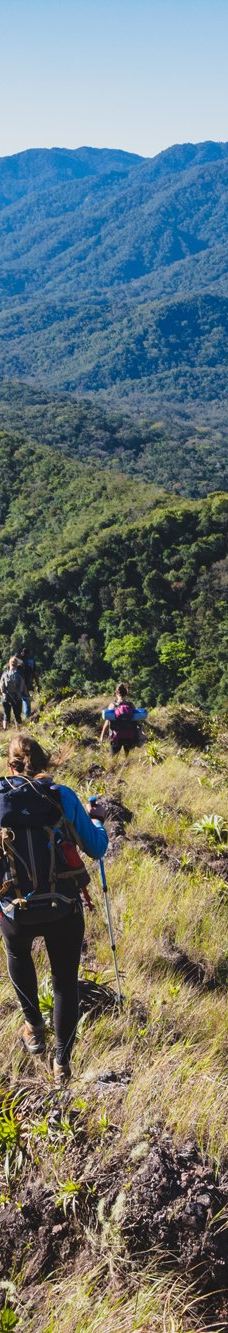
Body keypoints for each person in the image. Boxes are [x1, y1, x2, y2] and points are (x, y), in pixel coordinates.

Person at [0, 734, 108, 1087]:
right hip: (63, 905)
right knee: (64, 983)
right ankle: (62, 1064)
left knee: (18, 953)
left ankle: (33, 1027)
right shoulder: (61, 796)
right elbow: (95, 848)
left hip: (15, 908)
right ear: (45, 763)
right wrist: (98, 820)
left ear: (9, 764)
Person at [100, 682, 138, 756]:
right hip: (129, 736)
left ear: (116, 693)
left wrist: (102, 736)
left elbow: (107, 722)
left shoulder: (112, 705)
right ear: (126, 693)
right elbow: (135, 721)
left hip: (116, 737)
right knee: (130, 759)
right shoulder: (130, 705)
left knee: (113, 760)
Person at [0, 657, 30, 731]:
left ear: (9, 664)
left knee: (6, 715)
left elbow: (1, 686)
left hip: (6, 697)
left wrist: (3, 694)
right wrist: (21, 694)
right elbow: (22, 686)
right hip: (17, 697)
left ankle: (5, 729)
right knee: (17, 715)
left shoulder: (5, 674)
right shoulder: (19, 674)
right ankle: (18, 730)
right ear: (17, 664)